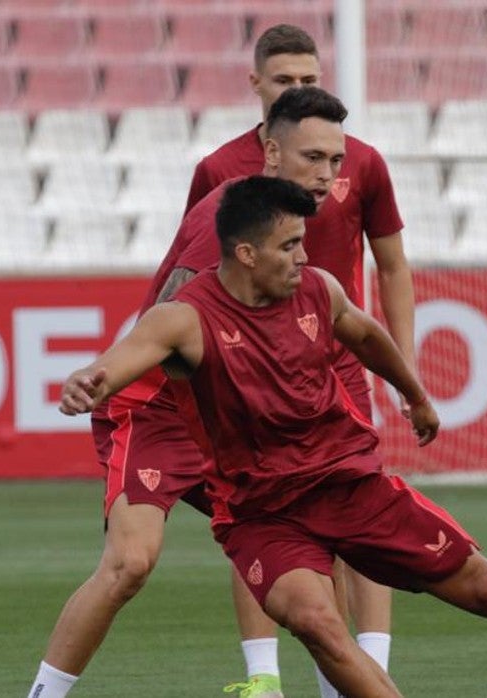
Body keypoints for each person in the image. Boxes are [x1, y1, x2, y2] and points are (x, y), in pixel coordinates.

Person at [56, 174, 487, 698]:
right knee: (317, 624)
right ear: (246, 253)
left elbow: (366, 334)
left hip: (350, 488)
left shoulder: (317, 291)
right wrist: (91, 378)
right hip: (261, 515)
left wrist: (416, 394)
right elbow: (126, 354)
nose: (302, 257)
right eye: (289, 245)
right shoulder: (187, 317)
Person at [26, 87, 363, 698]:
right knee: (130, 564)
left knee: (313, 547)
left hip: (229, 421)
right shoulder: (225, 221)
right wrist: (99, 376)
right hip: (156, 411)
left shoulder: (285, 228)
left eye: (335, 161)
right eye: (313, 157)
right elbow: (169, 317)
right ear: (270, 151)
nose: (328, 174)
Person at [187, 24, 414, 698]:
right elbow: (194, 264)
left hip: (335, 361)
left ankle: (365, 671)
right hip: (247, 363)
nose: (298, 88)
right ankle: (264, 678)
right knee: (253, 506)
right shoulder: (219, 169)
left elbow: (393, 264)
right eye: (284, 80)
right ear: (257, 84)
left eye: (308, 77)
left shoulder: (362, 163)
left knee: (359, 508)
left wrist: (397, 360)